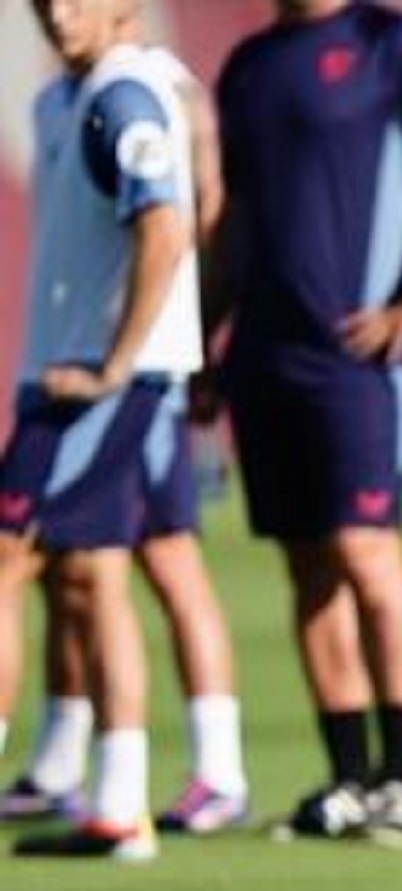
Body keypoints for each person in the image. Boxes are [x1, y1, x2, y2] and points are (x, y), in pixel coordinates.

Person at [209, 0, 402, 843]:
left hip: (361, 358)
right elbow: (232, 216)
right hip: (264, 353)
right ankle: (347, 778)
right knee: (307, 566)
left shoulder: (391, 41)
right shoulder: (249, 66)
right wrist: (206, 334)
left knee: (367, 553)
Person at [0, 3, 250, 836]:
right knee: (127, 565)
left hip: (113, 379)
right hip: (87, 371)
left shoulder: (136, 95)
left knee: (30, 564)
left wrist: (127, 357)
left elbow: (176, 223)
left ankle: (138, 784)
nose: (57, 14)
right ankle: (119, 785)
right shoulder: (61, 98)